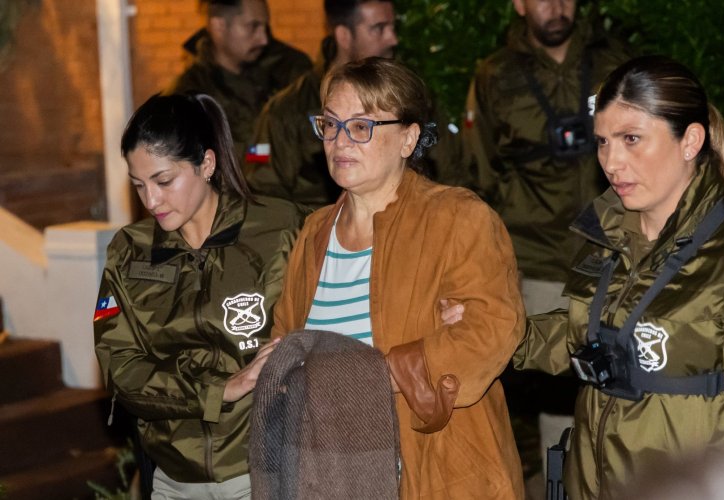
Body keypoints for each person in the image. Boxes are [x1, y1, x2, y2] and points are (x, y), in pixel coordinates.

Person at [513, 55, 724, 499]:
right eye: (603, 141)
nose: (611, 161)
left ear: (690, 141)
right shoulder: (609, 240)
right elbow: (577, 335)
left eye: (631, 139)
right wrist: (489, 331)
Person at [269, 57, 526, 498]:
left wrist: (366, 377)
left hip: (437, 474)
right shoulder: (313, 233)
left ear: (408, 138)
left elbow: (489, 333)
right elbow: (285, 346)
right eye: (330, 125)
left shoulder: (459, 219)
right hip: (332, 474)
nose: (340, 141)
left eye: (361, 126)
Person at [93, 93, 306, 499]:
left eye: (163, 181)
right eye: (138, 186)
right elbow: (122, 370)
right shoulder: (129, 251)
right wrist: (220, 390)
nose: (151, 200)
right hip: (174, 479)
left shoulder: (280, 230)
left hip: (262, 471)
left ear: (207, 164)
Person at [463, 0, 631, 464]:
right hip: (536, 258)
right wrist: (492, 262)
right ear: (518, 5)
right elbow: (479, 172)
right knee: (558, 391)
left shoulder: (614, 62)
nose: (555, 7)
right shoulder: (495, 75)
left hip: (613, 255)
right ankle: (564, 484)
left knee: (624, 384)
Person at [243, 0, 398, 208]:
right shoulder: (284, 111)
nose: (392, 39)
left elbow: (441, 170)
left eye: (393, 27)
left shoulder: (406, 97)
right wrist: (319, 224)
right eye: (378, 28)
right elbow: (261, 196)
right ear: (344, 36)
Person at [166, 0, 311, 157]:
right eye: (253, 26)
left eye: (265, 27)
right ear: (219, 26)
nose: (263, 39)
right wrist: (263, 155)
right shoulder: (188, 96)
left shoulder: (289, 69)